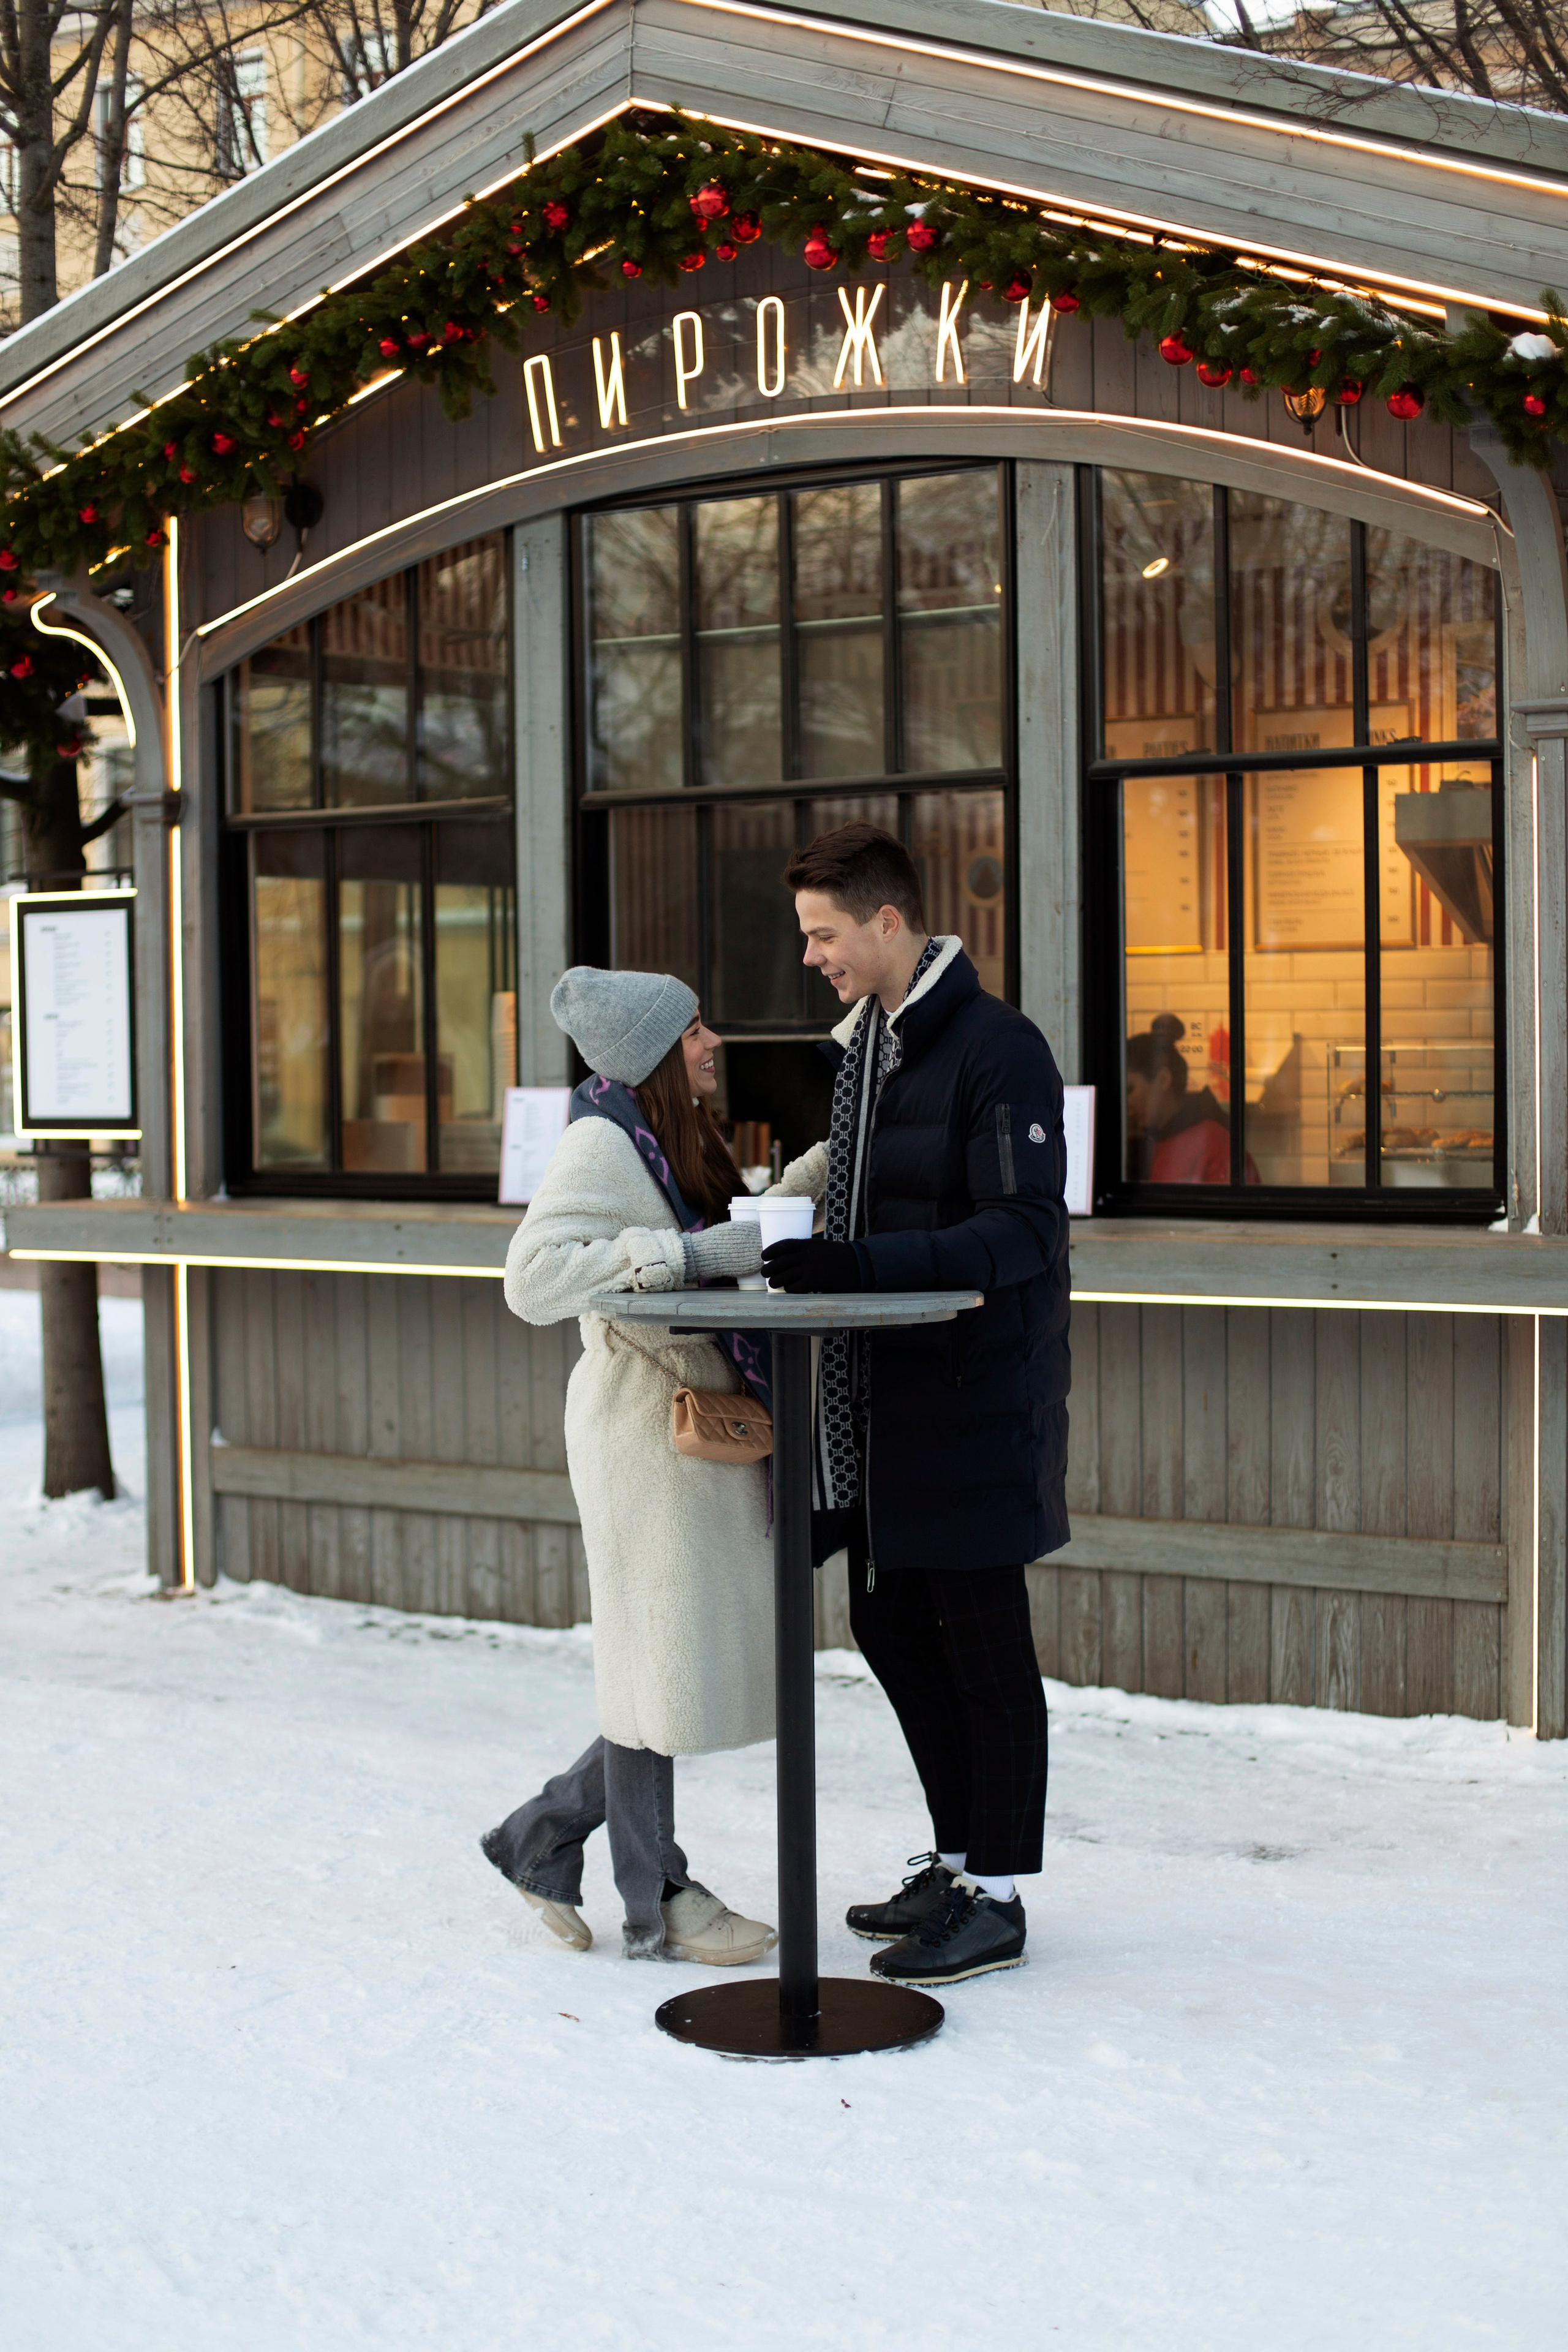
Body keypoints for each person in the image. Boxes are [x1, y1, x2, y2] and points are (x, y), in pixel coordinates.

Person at [760, 822, 1070, 1988]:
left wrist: (860, 1270)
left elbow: (1028, 1230)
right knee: (892, 1630)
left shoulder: (1001, 1050)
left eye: (824, 934)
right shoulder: (869, 1051)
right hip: (880, 1417)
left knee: (986, 1652)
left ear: (887, 922)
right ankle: (954, 1859)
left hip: (972, 1404)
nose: (813, 957)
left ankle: (998, 1896)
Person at [480, 966, 813, 1964]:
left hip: (683, 1422)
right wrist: (676, 1261)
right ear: (655, 1054)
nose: (714, 1041)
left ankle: (545, 1834)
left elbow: (722, 1242)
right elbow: (533, 1280)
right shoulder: (598, 1141)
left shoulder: (671, 1138)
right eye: (697, 1028)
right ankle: (657, 1894)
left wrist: (817, 1177)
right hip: (637, 1423)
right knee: (653, 1663)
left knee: (663, 1664)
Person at [1125, 1012, 1255, 1185]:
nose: (1125, 1103)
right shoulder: (1154, 1141)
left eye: (1130, 1090)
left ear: (1163, 1080)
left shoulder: (1214, 1144)